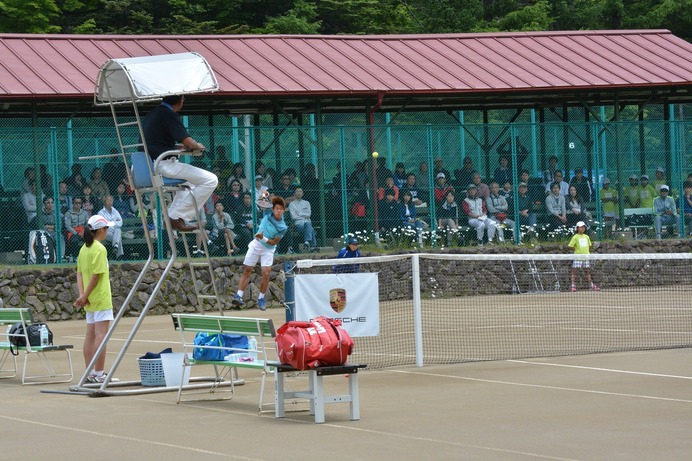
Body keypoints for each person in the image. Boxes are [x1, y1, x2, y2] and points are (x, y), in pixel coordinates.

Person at [141, 94, 218, 233]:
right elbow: (190, 143)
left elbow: (154, 142)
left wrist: (176, 148)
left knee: (189, 184)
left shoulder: (152, 113)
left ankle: (174, 217)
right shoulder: (169, 114)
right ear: (180, 101)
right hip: (163, 164)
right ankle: (176, 217)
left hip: (148, 164)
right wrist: (198, 146)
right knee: (211, 180)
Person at [74, 215, 117, 383]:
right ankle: (99, 374)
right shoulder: (99, 249)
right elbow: (95, 276)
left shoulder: (84, 248)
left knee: (90, 336)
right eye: (106, 228)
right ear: (100, 230)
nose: (107, 231)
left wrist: (82, 295)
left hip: (90, 300)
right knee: (101, 336)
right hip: (100, 298)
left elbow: (79, 274)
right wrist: (83, 296)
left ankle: (89, 373)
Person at [232, 195, 287, 311]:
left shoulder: (283, 227)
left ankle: (261, 298)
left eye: (281, 209)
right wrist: (264, 195)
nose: (278, 211)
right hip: (256, 245)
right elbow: (260, 202)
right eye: (277, 208)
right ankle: (238, 296)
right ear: (273, 209)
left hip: (268, 249)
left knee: (266, 273)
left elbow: (273, 243)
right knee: (247, 270)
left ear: (283, 210)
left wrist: (263, 238)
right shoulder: (267, 213)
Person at [568, 221, 599, 292]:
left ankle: (591, 285)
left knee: (587, 271)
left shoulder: (587, 237)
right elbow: (570, 246)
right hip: (578, 257)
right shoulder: (575, 237)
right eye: (581, 227)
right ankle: (572, 286)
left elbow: (589, 245)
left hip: (586, 257)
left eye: (583, 227)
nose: (583, 228)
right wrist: (577, 250)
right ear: (577, 228)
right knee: (574, 271)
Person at [98, 195, 124, 260]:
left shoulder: (115, 211)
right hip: (105, 233)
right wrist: (114, 222)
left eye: (111, 200)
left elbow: (120, 223)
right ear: (105, 202)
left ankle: (115, 246)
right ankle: (119, 255)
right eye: (108, 200)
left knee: (118, 230)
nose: (110, 202)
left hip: (114, 231)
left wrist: (109, 223)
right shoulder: (101, 213)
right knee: (118, 235)